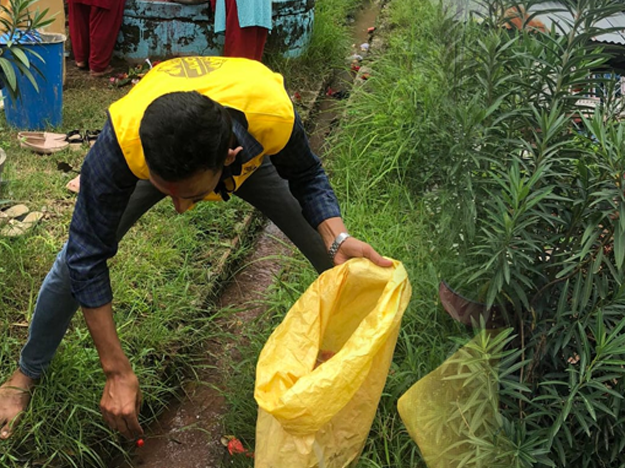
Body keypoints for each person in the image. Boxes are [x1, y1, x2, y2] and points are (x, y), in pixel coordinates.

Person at [0, 56, 391, 441]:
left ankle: (359, 368)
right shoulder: (122, 141)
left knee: (336, 261)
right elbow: (87, 255)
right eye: (170, 194)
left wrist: (336, 236)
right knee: (71, 265)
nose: (182, 210)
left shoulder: (273, 115)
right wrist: (116, 370)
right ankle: (24, 376)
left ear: (229, 158)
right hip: (175, 160)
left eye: (192, 196)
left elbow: (305, 175)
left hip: (244, 149)